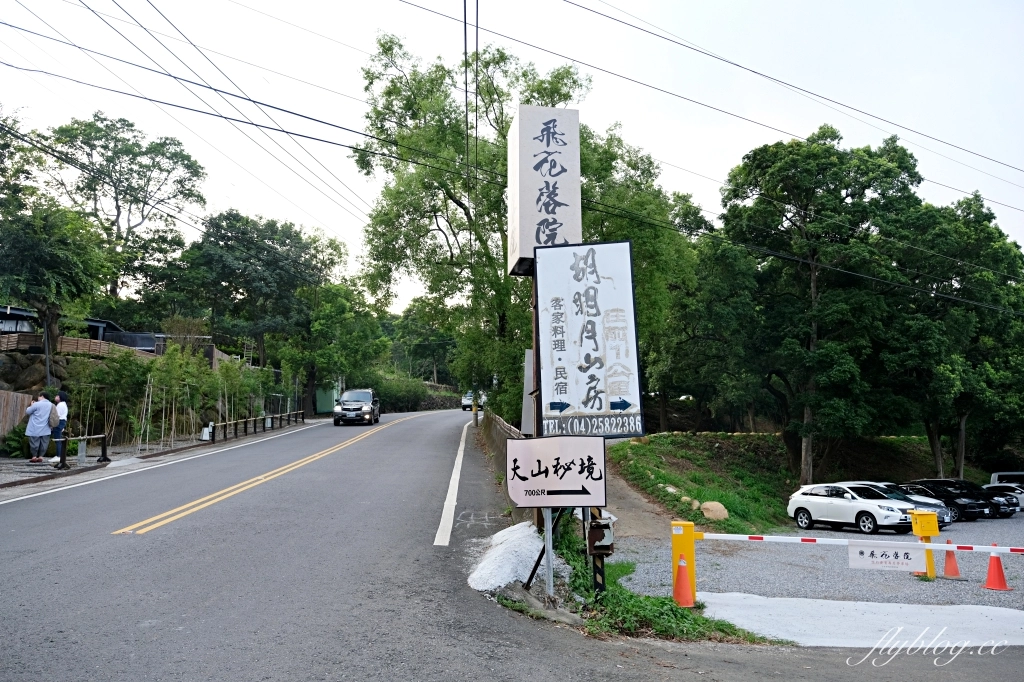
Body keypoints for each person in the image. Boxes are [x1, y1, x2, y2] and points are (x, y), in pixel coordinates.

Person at [25, 392, 53, 463]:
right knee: (44, 443)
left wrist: (31, 405)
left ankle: (34, 456)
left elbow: (28, 411)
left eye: (39, 397)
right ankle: (41, 456)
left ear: (42, 396)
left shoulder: (36, 404)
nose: (38, 398)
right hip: (46, 427)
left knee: (34, 442)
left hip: (35, 427)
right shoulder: (51, 405)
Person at [52, 391, 69, 469]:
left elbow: (56, 415)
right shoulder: (64, 404)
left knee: (57, 439)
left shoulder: (60, 405)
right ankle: (59, 455)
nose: (56, 397)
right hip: (62, 421)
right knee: (59, 439)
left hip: (59, 421)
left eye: (57, 396)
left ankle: (58, 455)